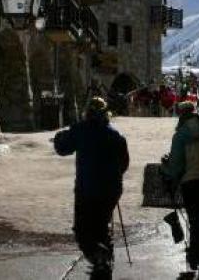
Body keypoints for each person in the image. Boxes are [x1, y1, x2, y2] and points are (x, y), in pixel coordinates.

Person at [53, 97, 129, 280]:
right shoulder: (116, 135)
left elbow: (63, 148)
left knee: (82, 230)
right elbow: (124, 163)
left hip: (87, 188)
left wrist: (58, 138)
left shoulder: (81, 130)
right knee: (101, 227)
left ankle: (99, 255)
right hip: (111, 189)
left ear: (87, 112)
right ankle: (103, 266)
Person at [162, 102, 199, 280]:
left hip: (191, 183)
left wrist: (165, 167)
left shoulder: (180, 135)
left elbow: (176, 166)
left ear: (180, 115)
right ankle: (198, 257)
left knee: (197, 221)